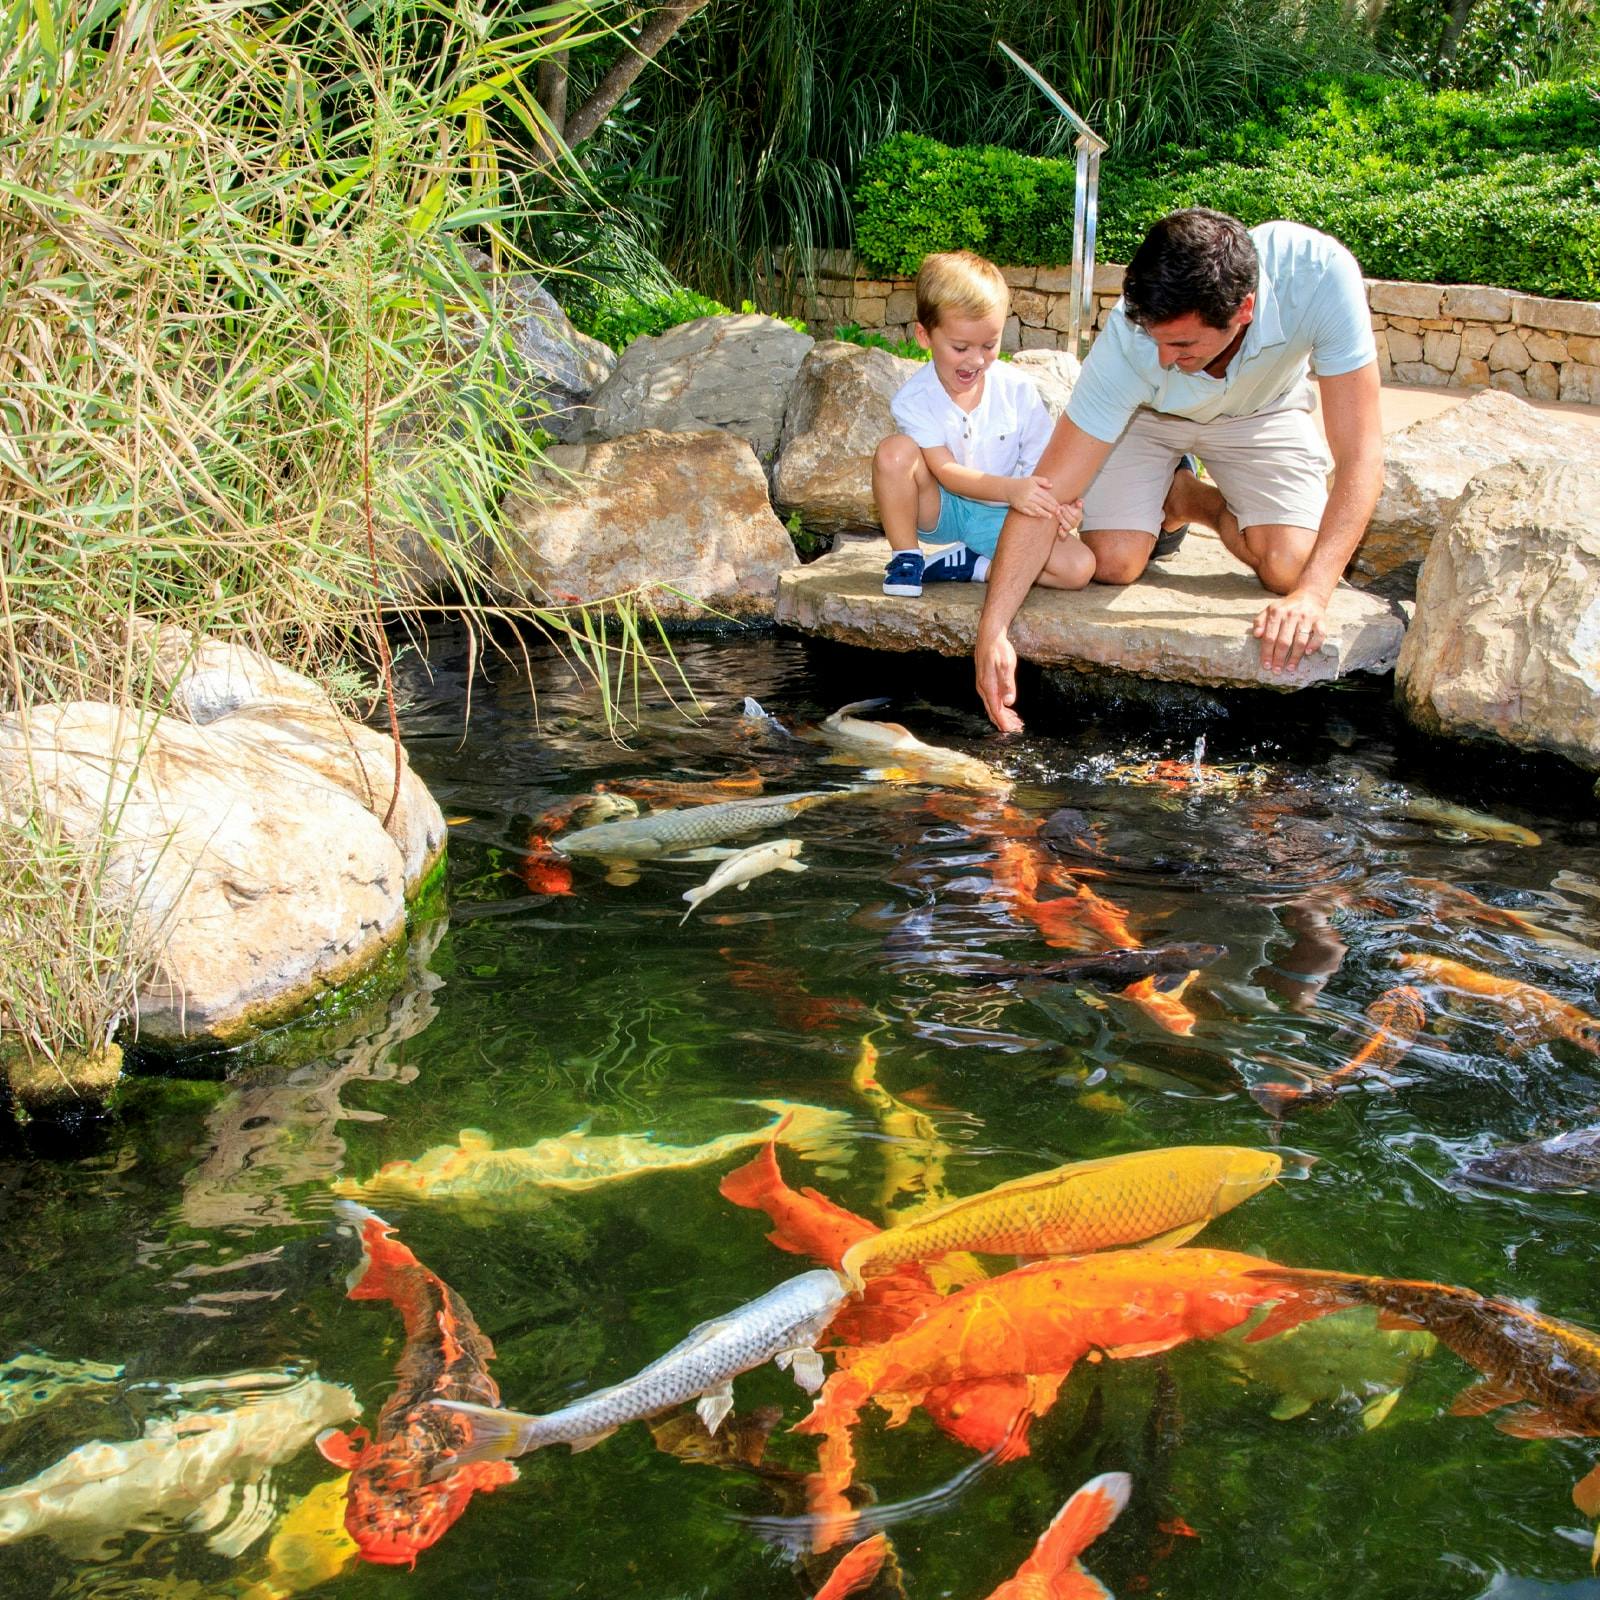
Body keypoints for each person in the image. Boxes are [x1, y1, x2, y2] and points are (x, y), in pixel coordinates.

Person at [973, 209, 1385, 732]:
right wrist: (993, 628)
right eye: (1156, 338)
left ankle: (1189, 499)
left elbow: (1363, 457)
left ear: (1244, 310)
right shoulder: (1132, 341)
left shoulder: (1319, 274)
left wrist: (1313, 595)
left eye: (1183, 345)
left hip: (1262, 413)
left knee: (1292, 567)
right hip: (1147, 419)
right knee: (1114, 561)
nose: (1163, 358)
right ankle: (1169, 489)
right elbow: (1046, 492)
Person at [873, 250, 1094, 600]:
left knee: (1078, 568)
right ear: (924, 336)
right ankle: (907, 556)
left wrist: (1062, 508)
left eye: (989, 345)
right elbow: (944, 471)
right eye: (960, 347)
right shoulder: (914, 398)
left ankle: (974, 566)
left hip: (1003, 517)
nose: (976, 360)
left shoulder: (1018, 391)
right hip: (941, 508)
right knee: (893, 452)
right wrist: (1011, 489)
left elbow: (1045, 468)